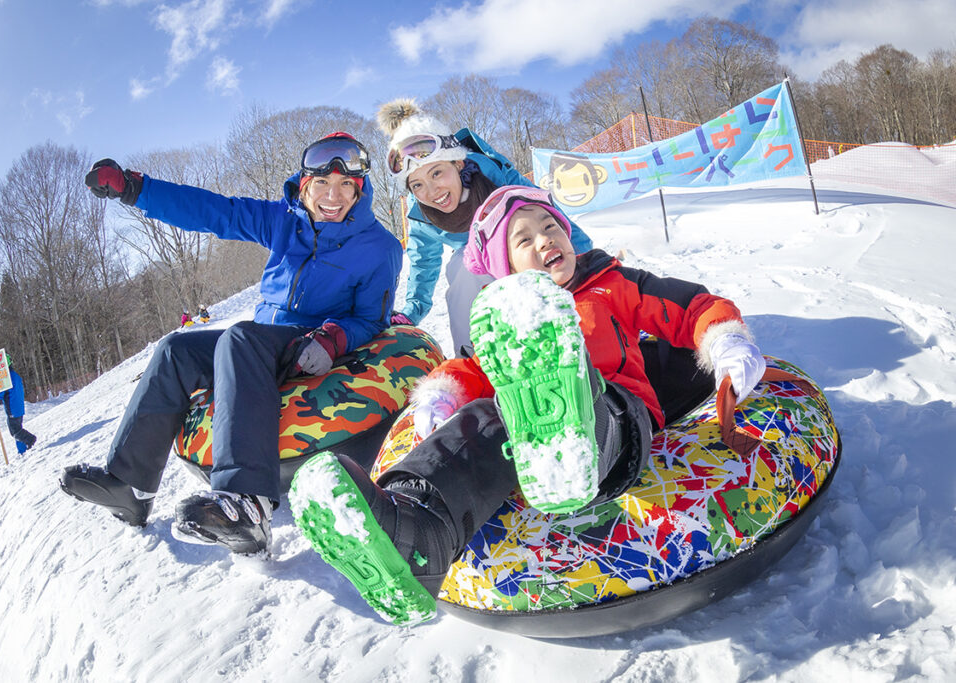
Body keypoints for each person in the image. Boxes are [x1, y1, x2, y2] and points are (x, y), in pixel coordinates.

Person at [289, 185, 766, 625]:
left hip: (618, 419)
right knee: (488, 418)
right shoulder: (504, 325)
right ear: (506, 267)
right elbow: (473, 369)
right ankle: (415, 532)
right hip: (526, 428)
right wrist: (439, 397)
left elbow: (690, 307)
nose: (545, 240)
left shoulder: (609, 284)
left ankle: (572, 439)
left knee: (580, 400)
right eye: (524, 239)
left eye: (551, 226)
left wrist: (725, 342)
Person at [60, 132, 403, 555]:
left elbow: (371, 319)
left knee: (241, 338)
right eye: (322, 186)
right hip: (262, 340)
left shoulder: (379, 247)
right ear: (304, 184)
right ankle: (129, 486)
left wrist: (334, 338)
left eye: (345, 187)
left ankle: (247, 505)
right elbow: (214, 212)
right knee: (174, 350)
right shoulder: (283, 220)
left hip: (311, 345)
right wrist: (136, 189)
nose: (333, 197)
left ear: (359, 188)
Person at [378, 99, 593, 351]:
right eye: (417, 185)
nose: (432, 190)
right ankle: (471, 355)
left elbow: (550, 215)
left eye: (437, 173)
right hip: (477, 270)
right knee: (463, 264)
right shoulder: (422, 215)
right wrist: (410, 313)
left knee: (529, 243)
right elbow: (423, 265)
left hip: (520, 254)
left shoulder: (495, 177)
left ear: (458, 163)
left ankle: (568, 332)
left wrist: (588, 258)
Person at [0, 354, 37, 454]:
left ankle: (30, 439)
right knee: (18, 428)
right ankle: (22, 450)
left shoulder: (7, 377)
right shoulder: (15, 375)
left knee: (15, 431)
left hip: (13, 408)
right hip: (18, 407)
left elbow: (2, 392)